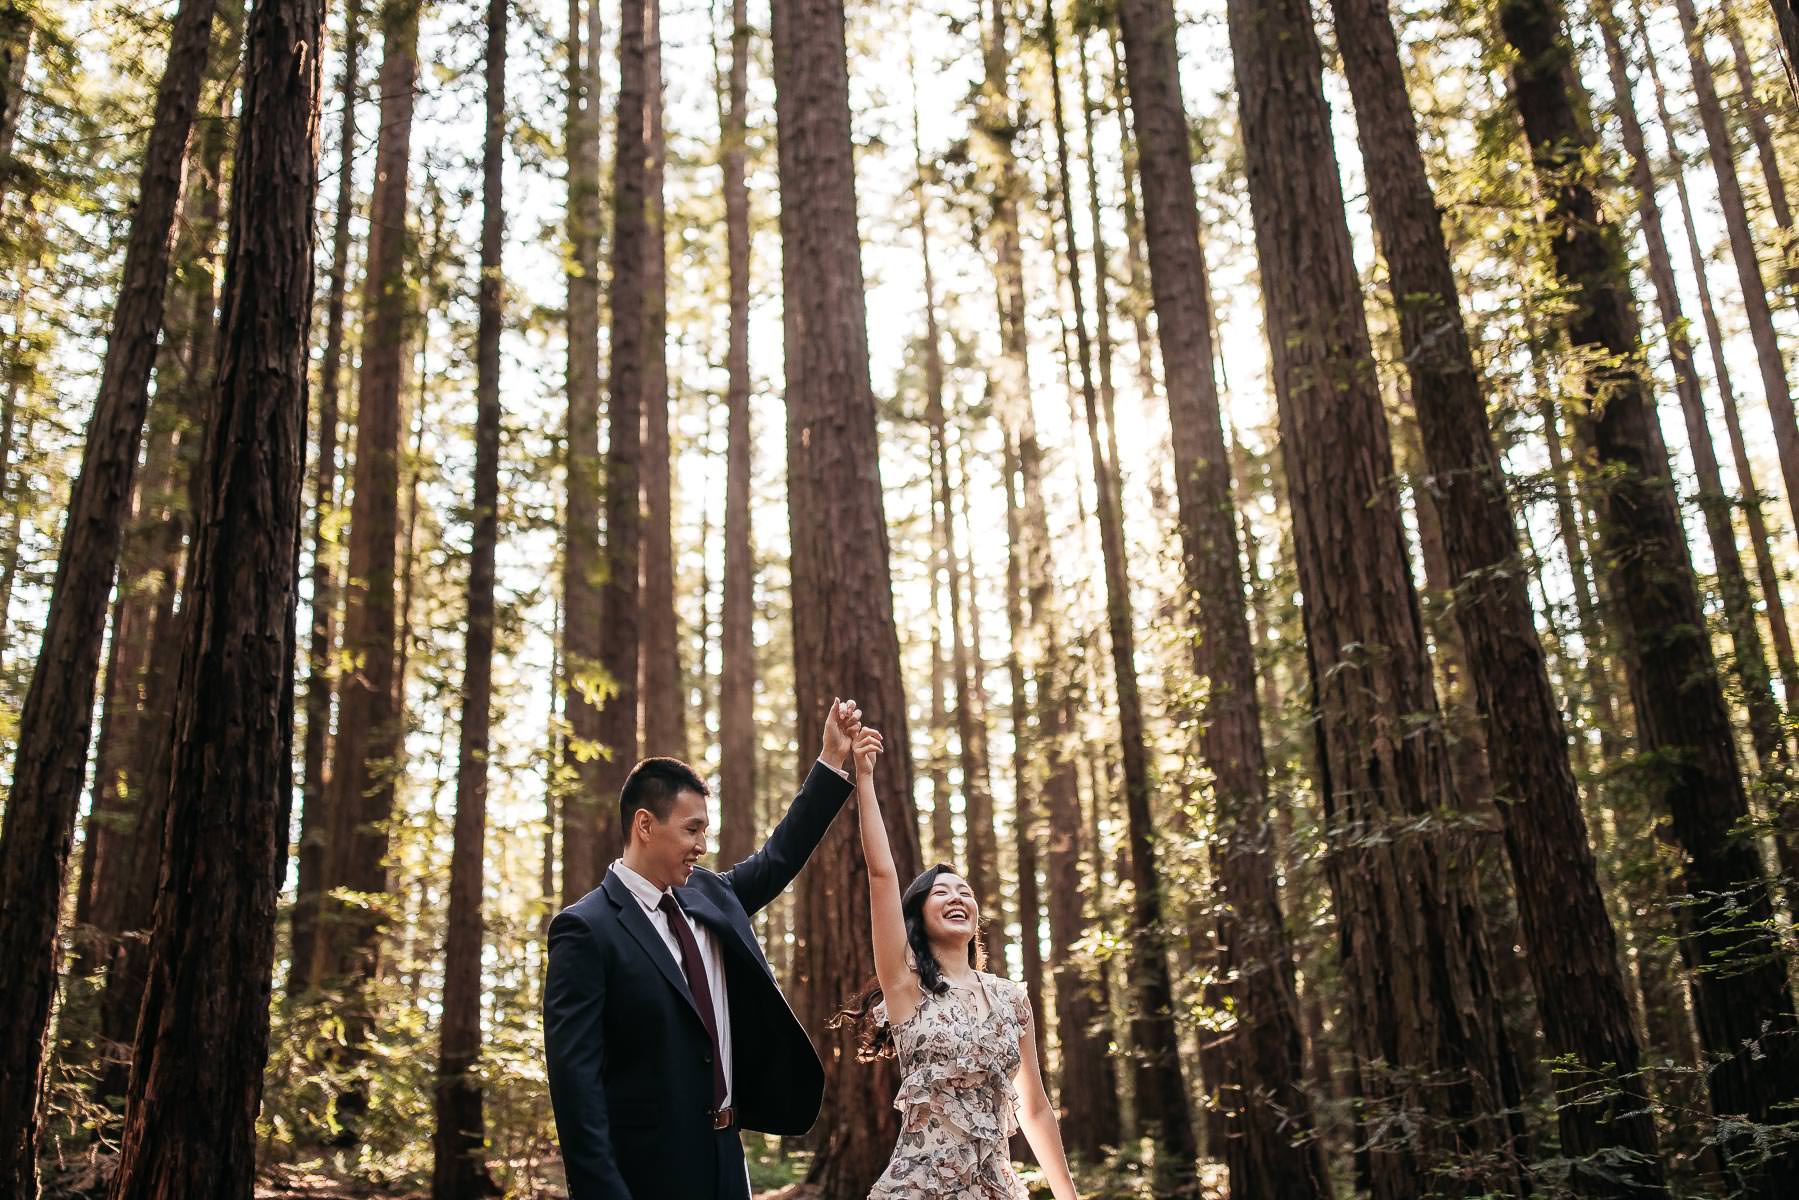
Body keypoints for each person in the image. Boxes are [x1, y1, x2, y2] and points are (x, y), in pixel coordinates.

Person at [544, 698, 864, 1200]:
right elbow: (575, 1085)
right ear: (645, 825)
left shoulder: (712, 895)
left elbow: (779, 856)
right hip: (648, 1174)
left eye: (705, 832)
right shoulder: (586, 929)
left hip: (727, 1158)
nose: (702, 846)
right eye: (691, 829)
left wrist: (830, 760)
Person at [837, 724, 1082, 1200]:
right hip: (918, 1189)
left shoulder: (1011, 999)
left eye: (964, 892)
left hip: (995, 1189)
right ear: (919, 916)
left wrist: (1068, 1196)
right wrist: (864, 777)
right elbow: (882, 875)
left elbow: (1034, 1109)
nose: (956, 897)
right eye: (941, 892)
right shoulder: (905, 987)